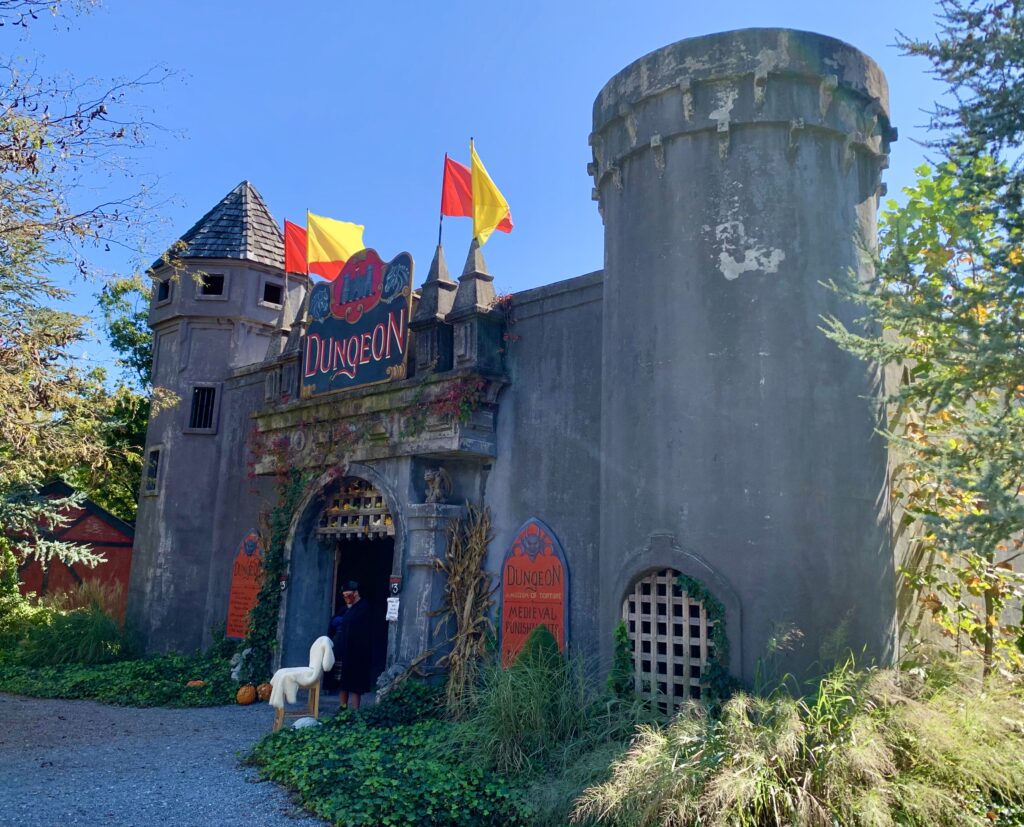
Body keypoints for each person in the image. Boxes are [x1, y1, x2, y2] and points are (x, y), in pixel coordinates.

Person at [332, 580, 373, 709]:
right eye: (344, 596)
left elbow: (355, 625)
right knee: (343, 683)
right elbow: (334, 622)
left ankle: (355, 712)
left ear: (355, 593)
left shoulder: (363, 607)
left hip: (357, 651)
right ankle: (342, 711)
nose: (346, 598)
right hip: (343, 650)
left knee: (355, 685)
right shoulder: (345, 609)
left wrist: (343, 620)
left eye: (348, 595)